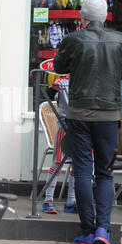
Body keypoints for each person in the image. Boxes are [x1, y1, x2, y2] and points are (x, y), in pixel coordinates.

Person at [53, 0, 122, 244]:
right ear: (105, 16)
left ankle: (88, 231)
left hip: (79, 114)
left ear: (83, 16)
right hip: (109, 116)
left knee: (82, 171)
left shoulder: (74, 39)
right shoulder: (121, 40)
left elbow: (58, 66)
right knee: (105, 173)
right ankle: (103, 229)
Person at [42, 74, 77, 214]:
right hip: (65, 124)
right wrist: (54, 88)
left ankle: (71, 201)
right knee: (57, 161)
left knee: (77, 163)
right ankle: (48, 199)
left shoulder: (85, 79)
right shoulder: (62, 81)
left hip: (82, 127)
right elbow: (48, 95)